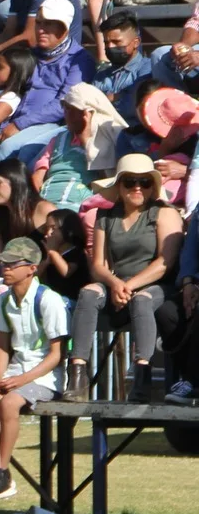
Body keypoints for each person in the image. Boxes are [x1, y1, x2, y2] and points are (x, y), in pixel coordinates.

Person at [67, 153, 182, 401]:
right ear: (119, 185)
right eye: (130, 181)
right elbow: (98, 264)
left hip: (157, 287)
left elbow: (165, 262)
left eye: (145, 181)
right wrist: (115, 283)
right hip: (115, 283)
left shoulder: (165, 213)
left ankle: (142, 377)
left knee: (142, 299)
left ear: (153, 186)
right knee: (88, 293)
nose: (137, 187)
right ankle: (77, 376)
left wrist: (128, 286)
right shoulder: (104, 217)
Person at [0, 237, 70, 508]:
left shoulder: (48, 300)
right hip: (15, 373)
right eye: (3, 263)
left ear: (32, 268)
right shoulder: (5, 301)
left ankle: (1, 473)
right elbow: (3, 345)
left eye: (12, 263)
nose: (4, 268)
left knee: (9, 403)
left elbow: (56, 354)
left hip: (44, 378)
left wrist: (21, 380)